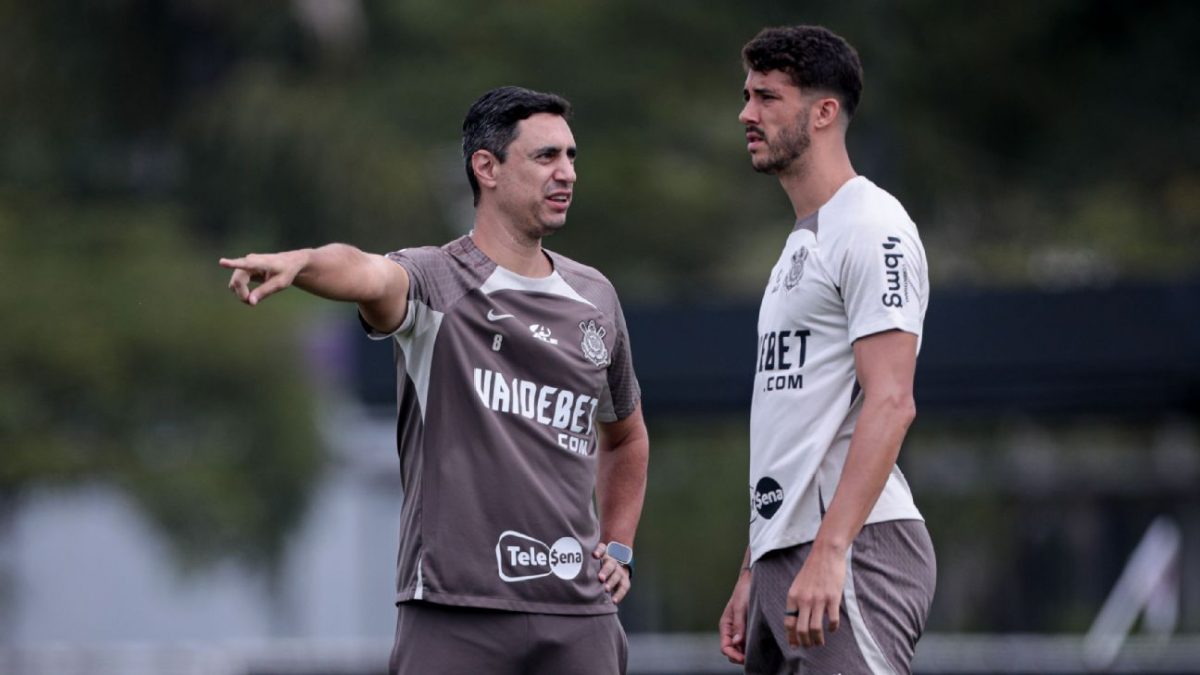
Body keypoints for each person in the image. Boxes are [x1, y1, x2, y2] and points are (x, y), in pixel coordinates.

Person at [220, 86, 649, 675]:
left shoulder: (595, 297)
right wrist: (303, 264)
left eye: (571, 156)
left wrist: (618, 544)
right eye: (546, 156)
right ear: (486, 168)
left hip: (578, 615)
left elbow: (625, 435)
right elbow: (368, 273)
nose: (567, 173)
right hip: (454, 610)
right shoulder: (434, 281)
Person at [718, 26, 936, 675]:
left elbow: (892, 401)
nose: (746, 114)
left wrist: (831, 550)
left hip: (853, 546)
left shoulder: (874, 226)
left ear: (823, 111)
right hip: (788, 548)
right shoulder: (798, 244)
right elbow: (796, 427)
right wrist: (755, 560)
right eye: (747, 96)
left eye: (767, 97)